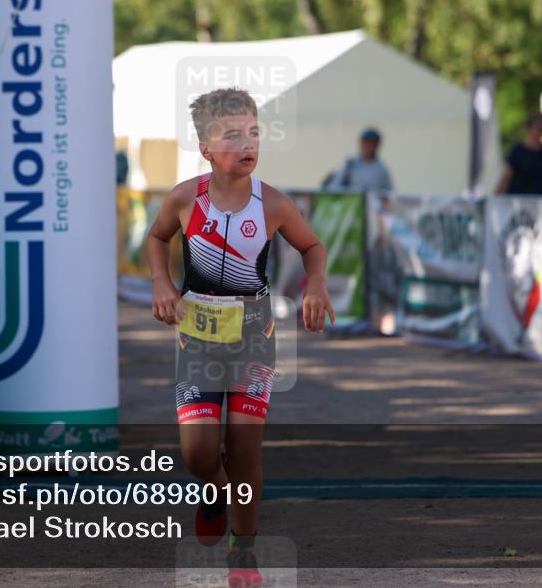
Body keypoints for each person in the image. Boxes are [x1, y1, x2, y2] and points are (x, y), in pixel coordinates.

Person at [145, 88, 334, 587]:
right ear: (205, 147)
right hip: (197, 337)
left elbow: (312, 246)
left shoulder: (272, 203)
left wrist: (316, 285)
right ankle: (213, 488)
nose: (247, 142)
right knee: (198, 452)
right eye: (232, 135)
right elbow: (156, 237)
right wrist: (163, 283)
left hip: (253, 333)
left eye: (254, 132)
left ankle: (243, 554)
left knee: (245, 445)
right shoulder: (186, 198)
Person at [495, 113, 542, 195]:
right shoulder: (517, 152)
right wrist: (495, 198)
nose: (540, 133)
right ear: (528, 129)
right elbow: (505, 178)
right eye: (537, 129)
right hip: (519, 201)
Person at [323, 127, 393, 192]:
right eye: (365, 142)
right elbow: (334, 186)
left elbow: (388, 193)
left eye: (372, 143)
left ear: (377, 144)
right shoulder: (350, 164)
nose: (368, 146)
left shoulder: (382, 169)